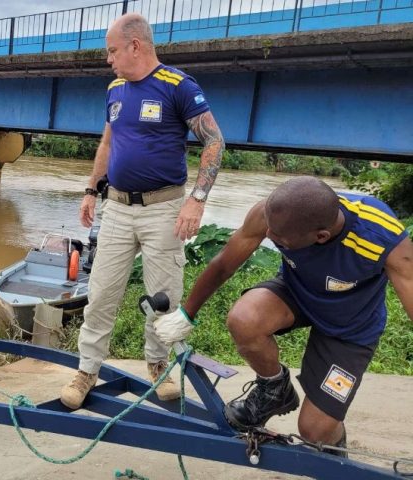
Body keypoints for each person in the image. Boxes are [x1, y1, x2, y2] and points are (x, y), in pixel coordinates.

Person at [153, 176, 413, 453]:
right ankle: (274, 389)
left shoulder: (381, 237)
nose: (269, 234)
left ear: (320, 237)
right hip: (296, 293)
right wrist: (186, 313)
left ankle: (337, 453)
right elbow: (224, 264)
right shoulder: (273, 213)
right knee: (244, 319)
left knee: (315, 431)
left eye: (279, 240)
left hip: (350, 325)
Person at [60, 13, 225, 409]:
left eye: (112, 50)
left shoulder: (178, 86)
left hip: (163, 209)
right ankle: (86, 371)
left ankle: (158, 366)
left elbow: (214, 141)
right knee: (100, 294)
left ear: (135, 46)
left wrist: (196, 199)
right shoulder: (115, 89)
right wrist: (90, 190)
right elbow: (107, 144)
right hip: (117, 208)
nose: (108, 59)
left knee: (162, 298)